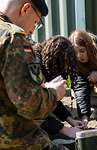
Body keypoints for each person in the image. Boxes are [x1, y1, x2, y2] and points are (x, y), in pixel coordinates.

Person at [0, 0, 68, 149]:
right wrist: (53, 93)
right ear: (26, 9)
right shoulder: (13, 39)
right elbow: (29, 104)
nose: (33, 29)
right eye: (36, 22)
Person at [33, 35, 86, 150]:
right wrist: (65, 130)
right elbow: (33, 107)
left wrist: (70, 120)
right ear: (55, 59)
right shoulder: (34, 65)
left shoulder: (44, 62)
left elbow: (52, 99)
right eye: (62, 64)